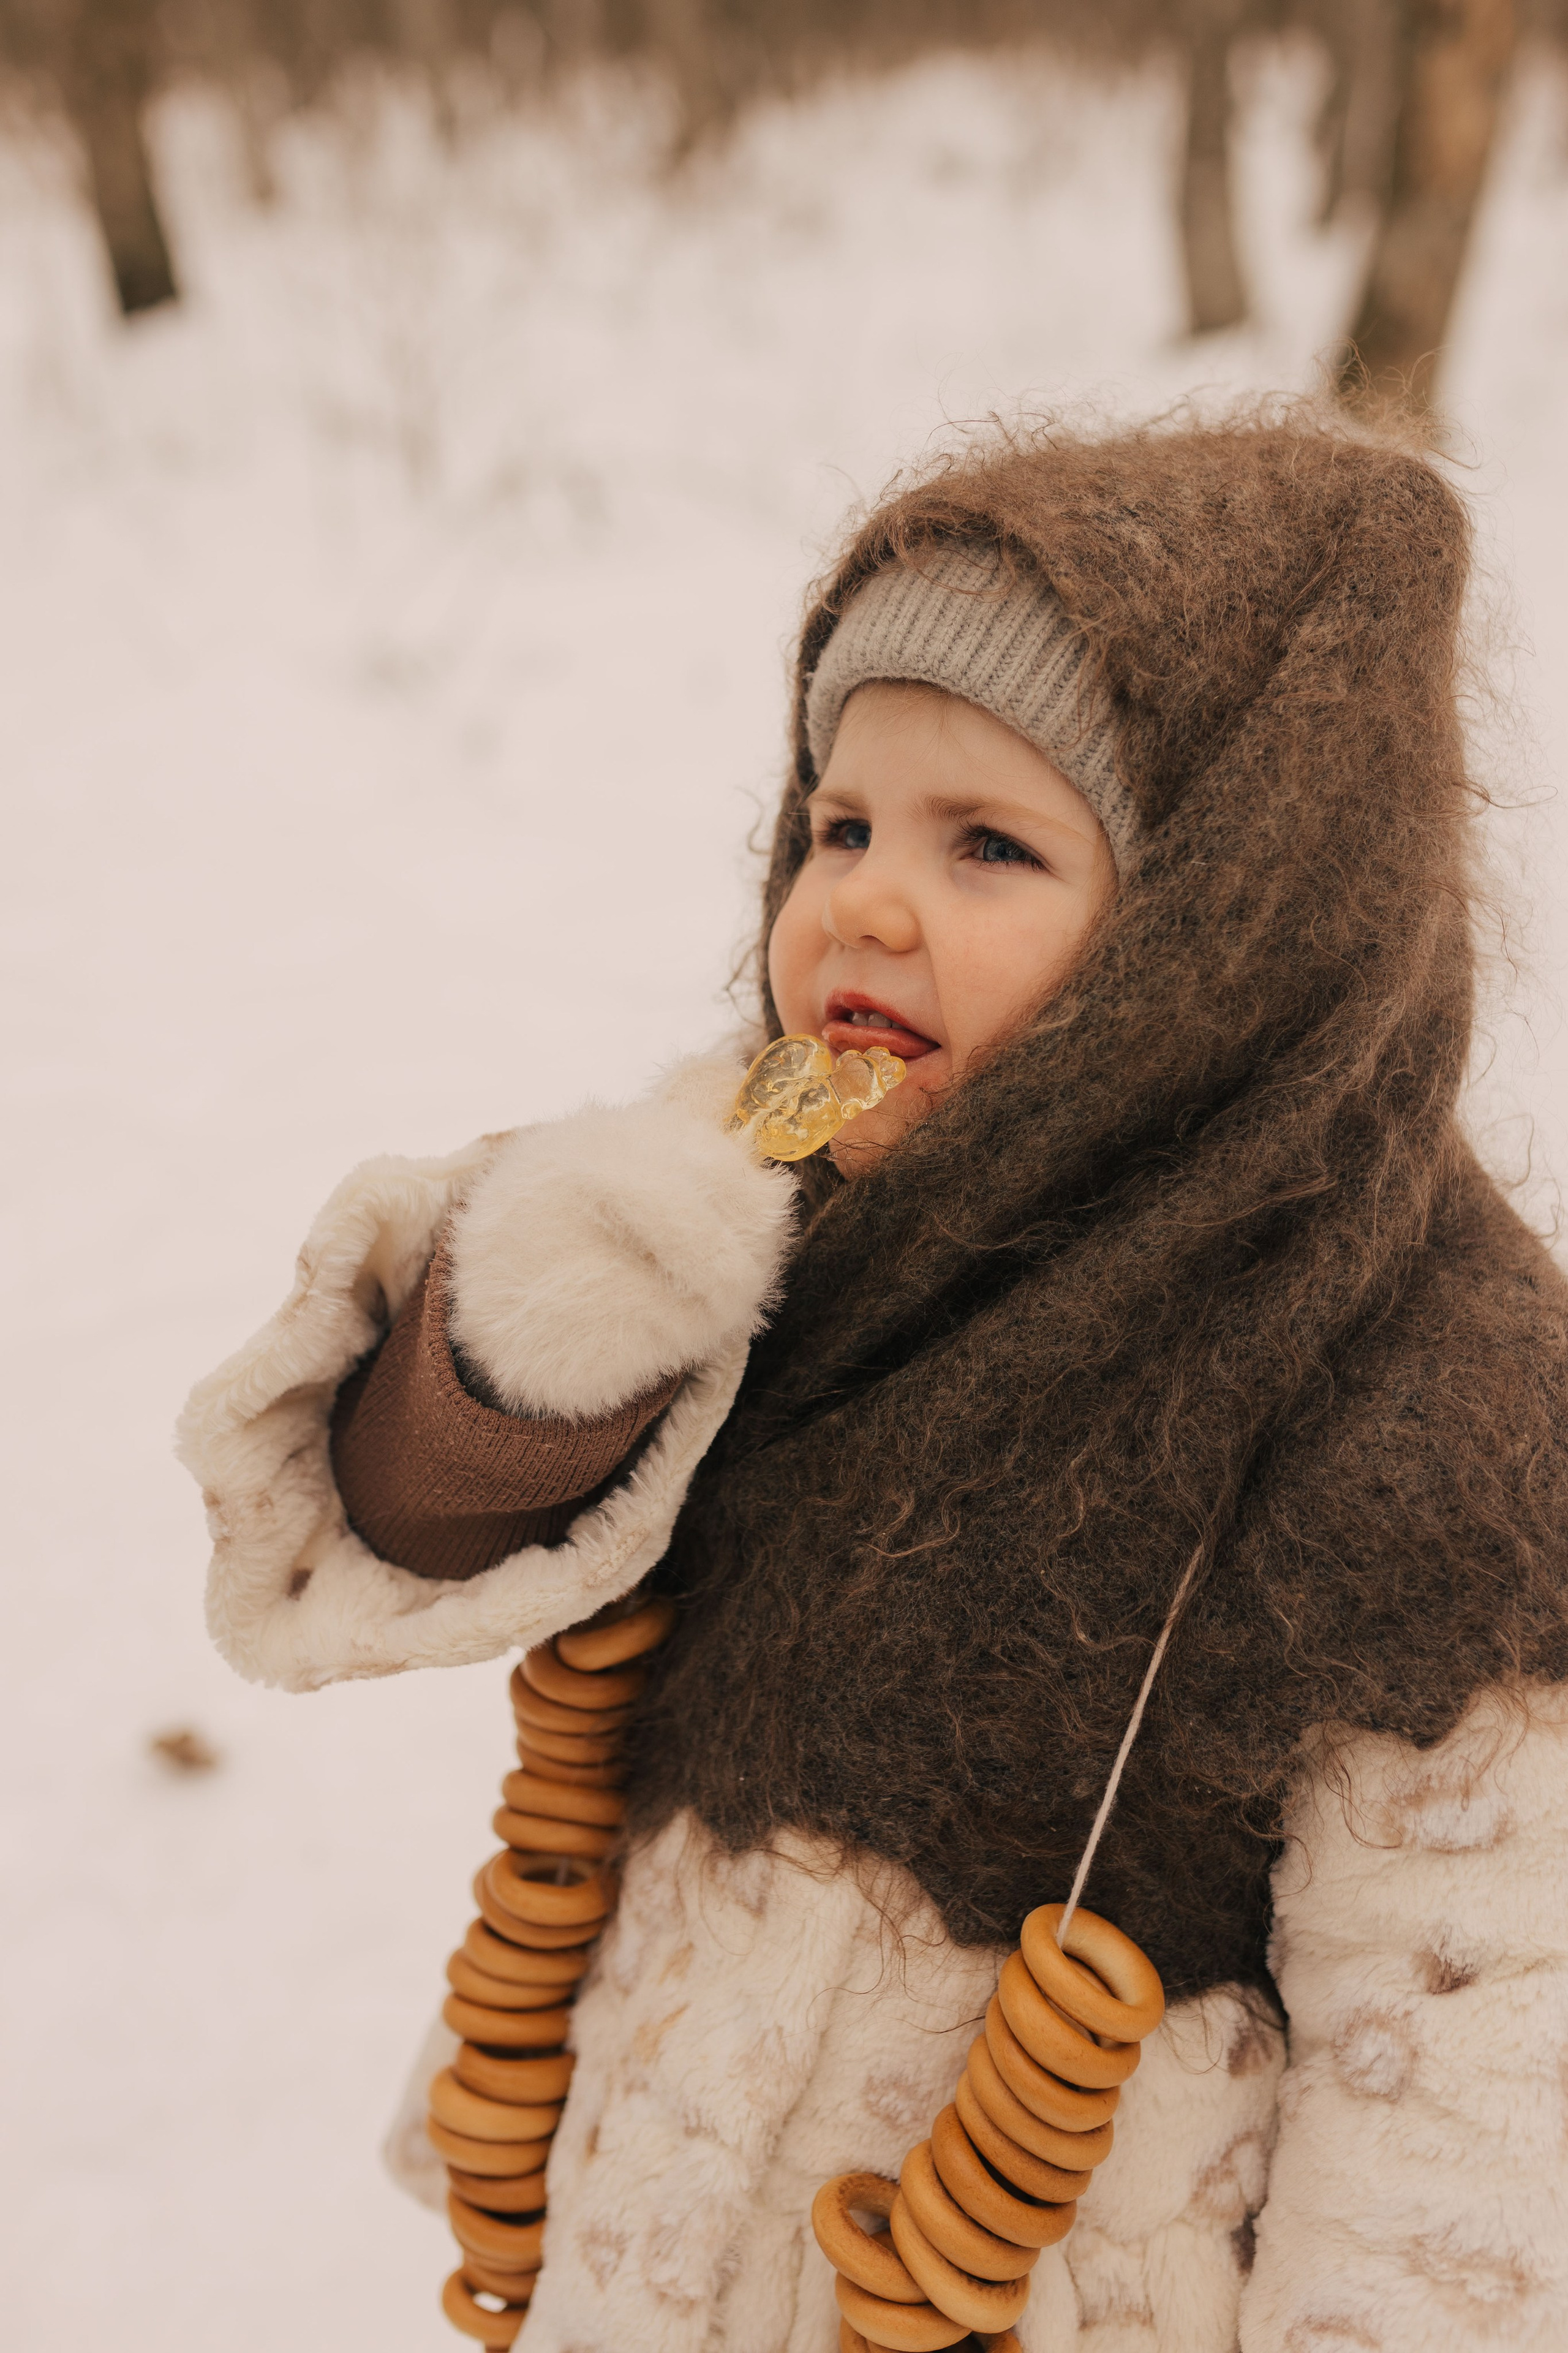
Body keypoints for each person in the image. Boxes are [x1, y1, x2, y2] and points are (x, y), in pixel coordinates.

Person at [179, 414, 1568, 2351]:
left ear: (1224, 927)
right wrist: (553, 1314)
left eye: (987, 844)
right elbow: (397, 1519)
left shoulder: (1419, 1389)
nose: (866, 905)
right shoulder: (763, 1194)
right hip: (654, 2247)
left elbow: (1477, 2074)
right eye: (840, 825)